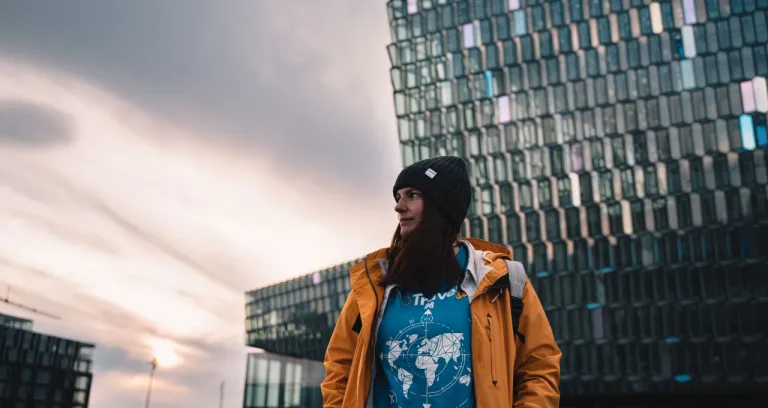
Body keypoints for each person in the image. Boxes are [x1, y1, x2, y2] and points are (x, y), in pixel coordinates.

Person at [321, 156, 561, 408]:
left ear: (442, 206)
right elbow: (340, 367)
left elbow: (539, 366)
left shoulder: (504, 281)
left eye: (412, 195)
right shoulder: (375, 284)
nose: (399, 207)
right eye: (398, 196)